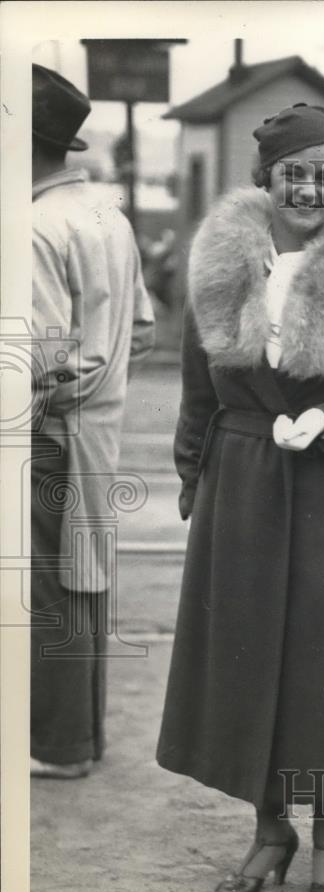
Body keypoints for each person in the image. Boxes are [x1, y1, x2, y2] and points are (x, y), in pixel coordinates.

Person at [155, 104, 324, 892]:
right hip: (237, 481)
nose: (308, 187)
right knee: (241, 655)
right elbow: (198, 392)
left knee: (320, 663)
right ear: (264, 179)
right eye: (293, 173)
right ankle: (272, 829)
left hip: (321, 485)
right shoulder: (221, 262)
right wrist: (193, 476)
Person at [30, 64, 155, 778]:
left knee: (46, 584)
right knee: (85, 577)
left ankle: (57, 745)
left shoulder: (34, 225)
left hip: (45, 431)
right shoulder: (107, 214)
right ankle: (81, 737)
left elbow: (39, 360)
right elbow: (140, 327)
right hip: (97, 426)